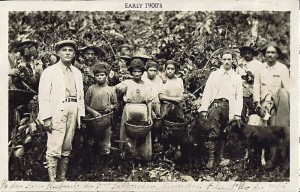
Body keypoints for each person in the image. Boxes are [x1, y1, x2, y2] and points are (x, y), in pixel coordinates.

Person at [38, 40, 85, 182]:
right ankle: (52, 180)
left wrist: (80, 115)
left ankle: (61, 178)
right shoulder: (50, 71)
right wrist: (46, 117)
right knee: (54, 145)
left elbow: (80, 94)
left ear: (74, 54)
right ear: (58, 53)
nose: (67, 53)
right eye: (64, 50)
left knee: (67, 145)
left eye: (70, 50)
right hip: (57, 111)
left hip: (73, 109)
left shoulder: (77, 72)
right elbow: (44, 96)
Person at [198, 49, 243, 169]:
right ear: (221, 61)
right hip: (216, 106)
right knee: (213, 131)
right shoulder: (214, 75)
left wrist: (237, 114)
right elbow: (207, 92)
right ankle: (211, 158)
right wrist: (204, 108)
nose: (227, 61)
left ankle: (221, 157)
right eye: (224, 59)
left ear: (233, 61)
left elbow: (239, 97)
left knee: (225, 132)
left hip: (230, 107)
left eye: (229, 59)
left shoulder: (237, 77)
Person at [115, 59, 153, 162]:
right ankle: (127, 157)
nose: (137, 74)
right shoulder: (127, 82)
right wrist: (120, 89)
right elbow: (116, 89)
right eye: (134, 71)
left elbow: (149, 101)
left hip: (143, 110)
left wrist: (149, 116)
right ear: (131, 72)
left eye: (139, 71)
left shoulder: (146, 85)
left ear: (142, 72)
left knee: (143, 134)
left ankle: (143, 157)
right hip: (129, 108)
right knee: (126, 133)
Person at [253, 42, 289, 128]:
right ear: (265, 55)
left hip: (277, 104)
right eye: (268, 52)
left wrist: (278, 103)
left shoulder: (282, 68)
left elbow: (287, 88)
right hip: (263, 103)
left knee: (276, 128)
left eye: (273, 52)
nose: (270, 55)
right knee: (261, 128)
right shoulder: (260, 68)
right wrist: (257, 103)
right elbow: (256, 87)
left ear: (277, 55)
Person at [85, 63, 118, 155]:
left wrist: (110, 107)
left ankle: (105, 161)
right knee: (92, 140)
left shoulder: (111, 89)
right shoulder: (91, 89)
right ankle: (94, 163)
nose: (99, 77)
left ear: (106, 76)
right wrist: (93, 112)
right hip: (93, 118)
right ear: (94, 77)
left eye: (102, 75)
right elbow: (86, 104)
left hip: (106, 118)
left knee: (106, 140)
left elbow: (115, 103)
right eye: (97, 75)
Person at [236, 41, 262, 121]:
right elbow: (236, 77)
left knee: (255, 115)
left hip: (253, 93)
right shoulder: (240, 63)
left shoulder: (258, 64)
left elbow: (261, 80)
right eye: (245, 53)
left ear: (252, 54)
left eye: (249, 53)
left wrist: (252, 76)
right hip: (242, 93)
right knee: (241, 114)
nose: (246, 55)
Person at [141, 61, 163, 142]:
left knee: (157, 121)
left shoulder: (158, 79)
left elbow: (160, 93)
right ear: (147, 70)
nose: (153, 73)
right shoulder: (143, 78)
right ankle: (145, 139)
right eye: (151, 70)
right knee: (146, 120)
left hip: (156, 102)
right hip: (145, 103)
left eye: (155, 71)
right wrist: (150, 111)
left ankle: (155, 140)